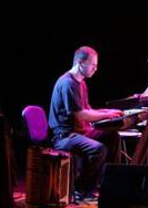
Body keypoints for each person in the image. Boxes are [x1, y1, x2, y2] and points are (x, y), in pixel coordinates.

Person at [48, 46, 123, 200]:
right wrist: (107, 115)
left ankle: (108, 184)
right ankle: (80, 189)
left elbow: (87, 109)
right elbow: (81, 114)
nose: (96, 69)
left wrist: (108, 112)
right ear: (80, 63)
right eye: (93, 65)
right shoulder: (68, 83)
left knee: (112, 136)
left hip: (80, 132)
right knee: (98, 149)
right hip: (65, 136)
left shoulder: (81, 83)